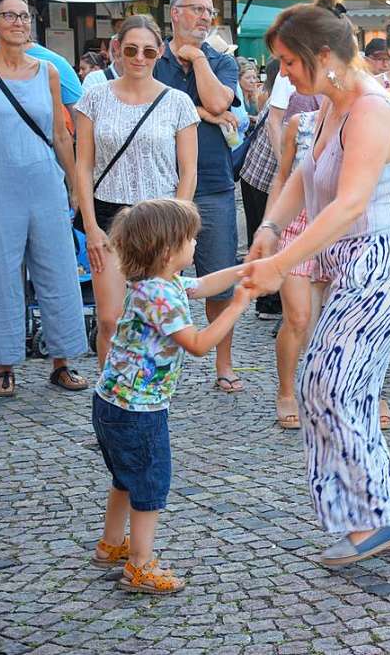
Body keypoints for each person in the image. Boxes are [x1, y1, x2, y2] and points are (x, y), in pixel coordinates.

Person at [244, 0, 390, 566]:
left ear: (322, 55)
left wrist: (281, 263)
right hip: (360, 260)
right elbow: (306, 172)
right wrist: (270, 226)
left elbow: (350, 204)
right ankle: (368, 514)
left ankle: (379, 517)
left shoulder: (371, 110)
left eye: (289, 62)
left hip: (387, 260)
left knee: (332, 386)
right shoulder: (332, 102)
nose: (284, 73)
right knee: (325, 386)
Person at [91, 198, 251, 594]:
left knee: (124, 477)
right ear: (167, 251)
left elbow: (204, 284)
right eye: (191, 239)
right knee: (149, 482)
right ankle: (140, 566)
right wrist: (238, 305)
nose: (196, 243)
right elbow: (196, 344)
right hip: (138, 410)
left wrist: (247, 271)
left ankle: (111, 545)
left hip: (112, 402)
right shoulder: (159, 297)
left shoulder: (158, 283)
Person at [0, 0, 89, 397]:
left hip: (44, 183)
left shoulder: (46, 70)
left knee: (59, 272)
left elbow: (61, 136)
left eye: (25, 16)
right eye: (9, 16)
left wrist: (76, 185)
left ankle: (63, 361)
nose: (19, 22)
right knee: (0, 276)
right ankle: (4, 366)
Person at [74, 15, 200, 367]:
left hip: (159, 219)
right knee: (110, 320)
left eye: (147, 50)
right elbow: (83, 166)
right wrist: (90, 226)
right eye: (131, 49)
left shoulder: (178, 102)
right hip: (108, 217)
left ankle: (147, 399)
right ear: (117, 49)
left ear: (160, 52)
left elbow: (188, 171)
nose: (139, 58)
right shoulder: (94, 98)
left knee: (155, 320)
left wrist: (179, 226)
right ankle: (108, 402)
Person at [153, 0, 242, 394]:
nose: (206, 18)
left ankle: (222, 365)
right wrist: (201, 113)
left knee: (219, 280)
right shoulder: (152, 60)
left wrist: (201, 60)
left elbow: (220, 103)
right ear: (175, 14)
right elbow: (146, 107)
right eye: (196, 10)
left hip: (213, 185)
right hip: (160, 186)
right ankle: (152, 361)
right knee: (154, 277)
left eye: (210, 12)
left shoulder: (222, 60)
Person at [265, 109, 325, 430]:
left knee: (350, 317)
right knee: (298, 317)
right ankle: (287, 390)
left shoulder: (366, 117)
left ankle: (364, 389)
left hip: (343, 226)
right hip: (298, 224)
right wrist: (269, 227)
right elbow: (282, 176)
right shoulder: (300, 123)